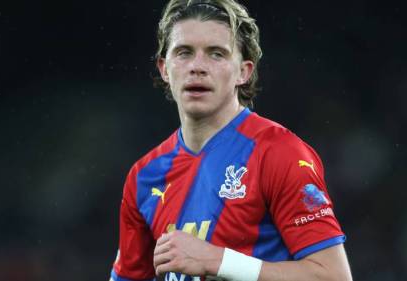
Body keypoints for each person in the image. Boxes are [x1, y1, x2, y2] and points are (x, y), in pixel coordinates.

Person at [109, 1, 352, 280]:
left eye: (216, 54)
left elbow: (333, 276)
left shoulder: (278, 152)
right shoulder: (144, 176)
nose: (197, 67)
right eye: (184, 52)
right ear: (164, 69)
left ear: (243, 72)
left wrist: (218, 260)